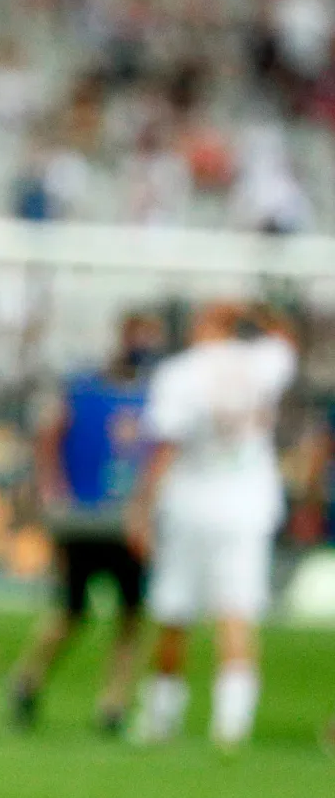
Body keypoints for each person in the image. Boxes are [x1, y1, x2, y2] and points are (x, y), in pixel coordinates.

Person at [128, 302, 296, 751]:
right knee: (237, 612)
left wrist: (141, 509)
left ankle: (161, 717)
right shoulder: (263, 363)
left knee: (173, 611)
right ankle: (231, 723)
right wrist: (258, 311)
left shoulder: (180, 373)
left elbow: (165, 446)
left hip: (191, 503)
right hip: (248, 505)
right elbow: (286, 340)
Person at [7, 312, 163, 734]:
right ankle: (64, 689)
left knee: (109, 612)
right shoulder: (97, 390)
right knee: (95, 612)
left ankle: (91, 696)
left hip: (113, 515)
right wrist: (54, 490)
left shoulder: (119, 391)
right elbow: (50, 439)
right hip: (98, 516)